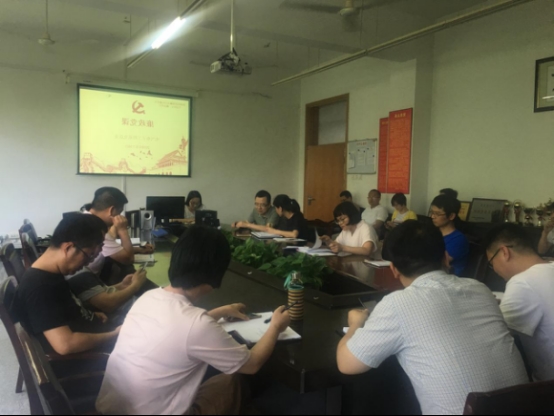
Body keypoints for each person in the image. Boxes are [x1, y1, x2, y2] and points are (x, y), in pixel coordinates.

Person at [336, 221, 529, 415]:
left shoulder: (398, 303)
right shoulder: (480, 289)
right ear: (445, 258)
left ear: (394, 269)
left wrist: (355, 324)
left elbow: (347, 364)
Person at [96, 225, 291, 415]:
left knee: (222, 380)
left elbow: (178, 330)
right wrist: (275, 326)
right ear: (216, 272)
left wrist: (221, 311)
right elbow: (252, 364)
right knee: (234, 380)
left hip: (112, 408)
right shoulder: (196, 324)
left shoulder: (149, 297)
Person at [14, 214, 121, 355]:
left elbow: (60, 312)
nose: (87, 263)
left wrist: (90, 315)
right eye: (89, 256)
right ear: (68, 248)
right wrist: (114, 335)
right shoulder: (39, 287)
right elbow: (65, 345)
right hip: (91, 358)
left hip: (96, 332)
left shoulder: (51, 272)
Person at [484, 223, 554, 381]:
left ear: (504, 252)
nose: (495, 270)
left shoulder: (522, 283)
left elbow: (495, 335)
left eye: (491, 263)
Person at [430, 195, 469, 276]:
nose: (432, 216)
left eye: (437, 214)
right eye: (432, 212)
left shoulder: (458, 240)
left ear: (451, 216)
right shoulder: (433, 233)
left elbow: (435, 262)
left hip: (449, 278)